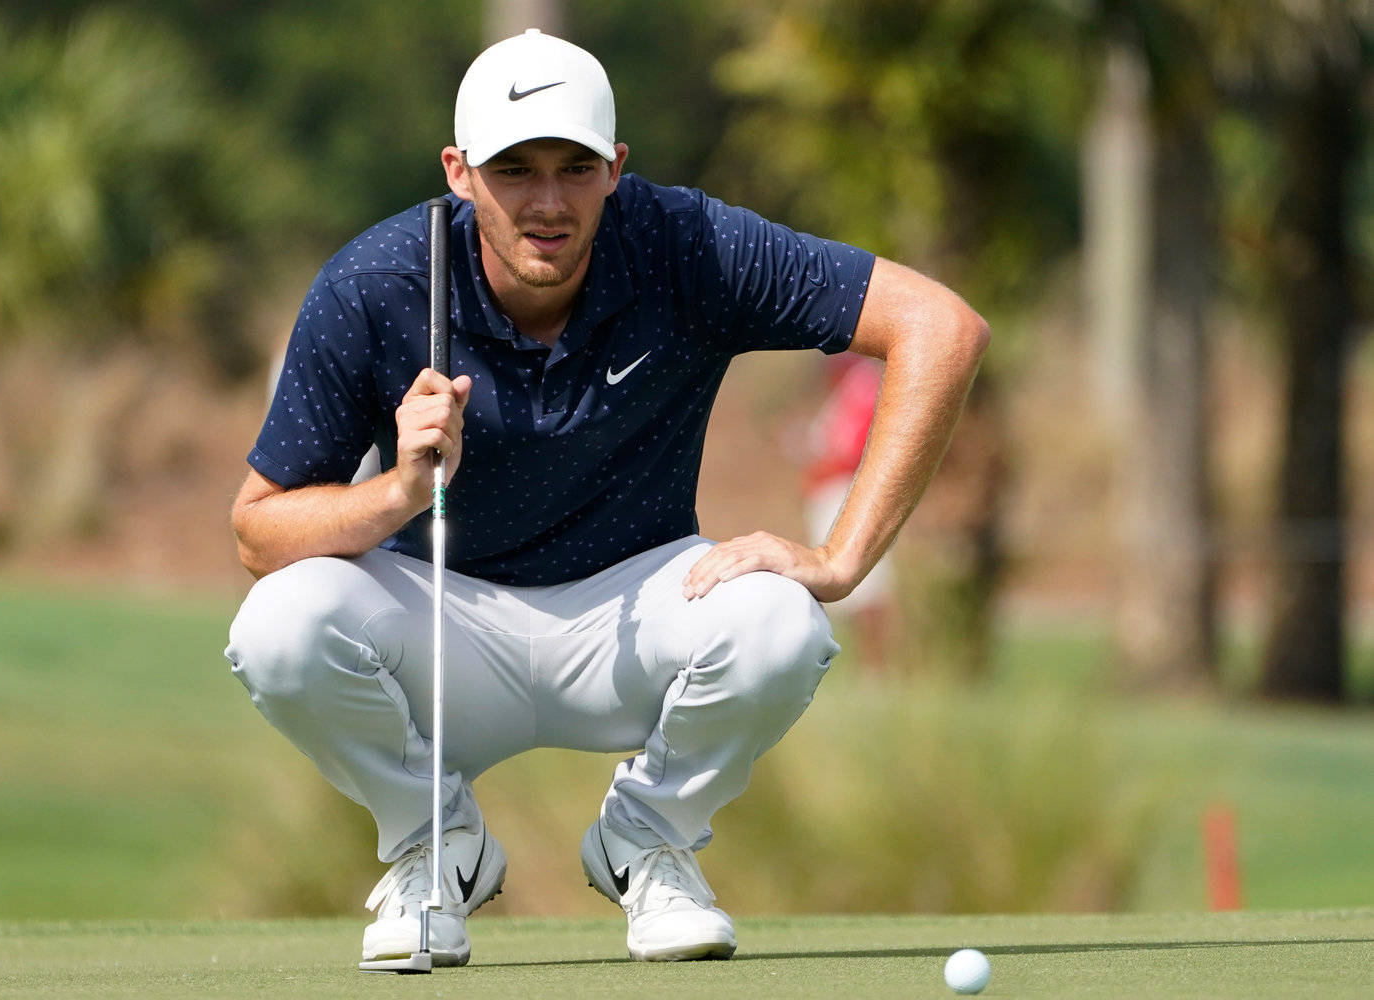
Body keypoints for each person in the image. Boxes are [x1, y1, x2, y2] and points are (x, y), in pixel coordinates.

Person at [225, 29, 988, 967]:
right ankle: (437, 845)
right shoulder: (376, 285)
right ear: (459, 172)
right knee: (279, 627)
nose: (547, 202)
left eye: (575, 167)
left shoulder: (688, 245)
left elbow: (939, 327)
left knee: (783, 623)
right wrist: (397, 492)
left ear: (616, 167)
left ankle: (648, 839)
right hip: (443, 621)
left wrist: (843, 559)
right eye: (514, 169)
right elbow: (258, 531)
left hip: (636, 604)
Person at [802, 354, 896, 670]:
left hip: (847, 495)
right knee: (853, 593)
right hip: (831, 496)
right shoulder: (843, 393)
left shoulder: (862, 388)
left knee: (865, 589)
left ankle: (876, 668)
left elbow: (859, 452)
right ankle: (867, 667)